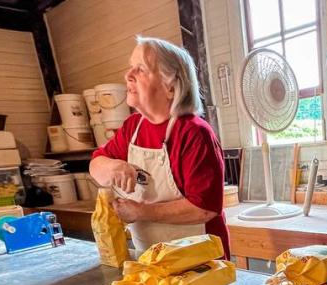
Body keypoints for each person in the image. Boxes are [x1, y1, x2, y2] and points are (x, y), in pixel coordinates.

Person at [89, 36, 229, 258]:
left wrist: (141, 211)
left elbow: (204, 208)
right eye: (130, 67)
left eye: (141, 69)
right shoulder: (132, 128)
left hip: (198, 260)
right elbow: (96, 165)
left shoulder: (194, 133)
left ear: (170, 87)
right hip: (151, 258)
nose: (128, 75)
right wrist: (111, 166)